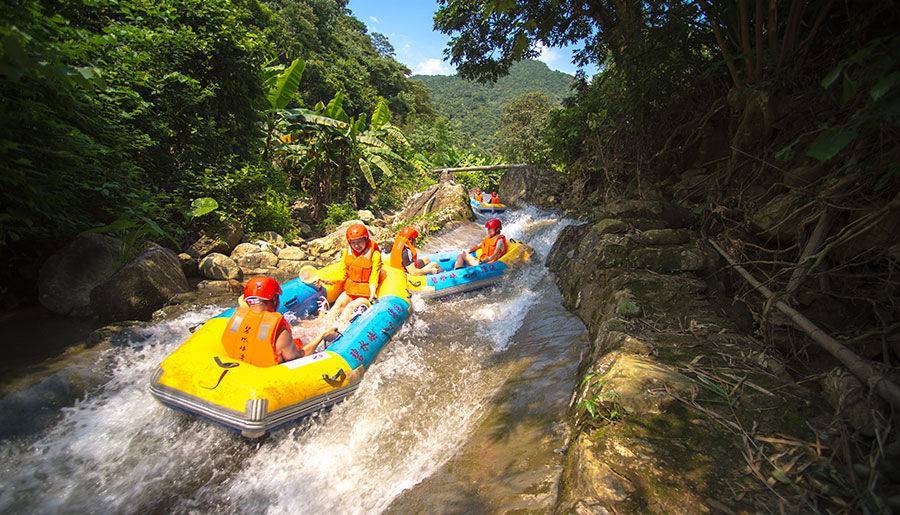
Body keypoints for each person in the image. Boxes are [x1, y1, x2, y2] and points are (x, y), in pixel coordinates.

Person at [222, 276, 305, 366]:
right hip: (268, 375)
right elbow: (295, 359)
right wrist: (319, 338)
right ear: (274, 300)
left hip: (236, 369)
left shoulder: (237, 320)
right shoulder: (280, 331)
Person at [331, 222, 382, 319]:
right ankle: (322, 327)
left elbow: (374, 276)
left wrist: (372, 293)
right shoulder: (347, 253)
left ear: (365, 240)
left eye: (359, 242)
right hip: (351, 290)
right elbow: (343, 274)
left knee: (350, 308)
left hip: (366, 294)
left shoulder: (375, 255)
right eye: (353, 242)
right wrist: (326, 281)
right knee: (337, 305)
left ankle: (340, 328)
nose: (357, 246)